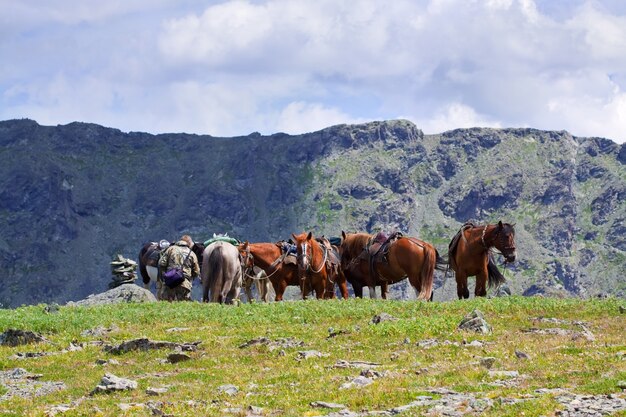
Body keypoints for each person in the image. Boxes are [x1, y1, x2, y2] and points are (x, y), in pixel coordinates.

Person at [157, 235, 200, 301]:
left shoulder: (171, 249)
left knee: (166, 303)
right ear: (188, 243)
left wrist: (164, 276)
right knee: (182, 305)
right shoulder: (192, 253)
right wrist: (189, 278)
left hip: (170, 281)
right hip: (184, 283)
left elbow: (161, 263)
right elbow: (196, 272)